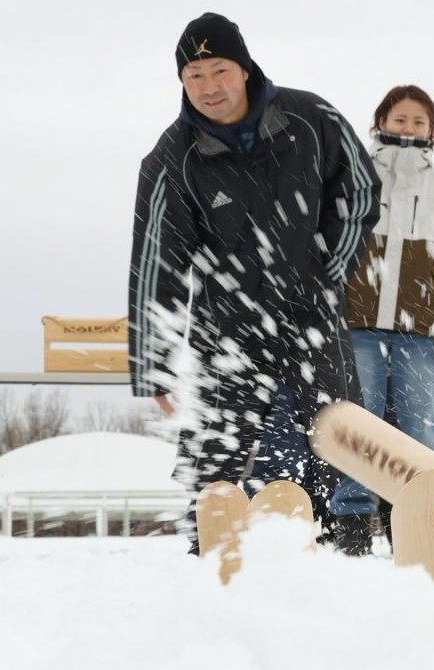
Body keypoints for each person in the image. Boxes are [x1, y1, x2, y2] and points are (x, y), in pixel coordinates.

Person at [127, 13, 380, 552]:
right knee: (216, 452)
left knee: (330, 438)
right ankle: (212, 556)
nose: (209, 87)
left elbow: (360, 192)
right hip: (226, 329)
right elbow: (157, 263)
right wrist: (157, 362)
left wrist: (329, 265)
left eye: (218, 70)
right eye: (194, 76)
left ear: (243, 69)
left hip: (311, 316)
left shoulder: (311, 118)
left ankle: (327, 550)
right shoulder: (174, 157)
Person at [331, 85, 434, 555]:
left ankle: (413, 515)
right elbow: (329, 241)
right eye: (400, 119)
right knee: (359, 423)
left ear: (432, 130)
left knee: (421, 425)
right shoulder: (354, 175)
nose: (408, 127)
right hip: (358, 321)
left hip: (421, 327)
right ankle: (351, 520)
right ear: (380, 123)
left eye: (419, 121)